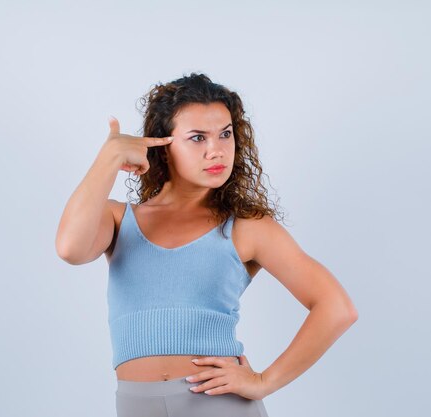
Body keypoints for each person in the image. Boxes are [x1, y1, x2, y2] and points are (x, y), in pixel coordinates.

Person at [55, 72, 358, 417]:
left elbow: (336, 307)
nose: (216, 150)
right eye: (197, 137)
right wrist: (107, 159)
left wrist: (264, 381)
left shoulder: (246, 227)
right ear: (163, 146)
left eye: (225, 134)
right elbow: (70, 249)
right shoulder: (117, 219)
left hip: (217, 406)